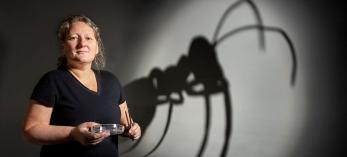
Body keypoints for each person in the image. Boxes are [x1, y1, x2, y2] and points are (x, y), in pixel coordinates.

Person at [22, 15, 141, 157]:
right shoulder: (52, 81)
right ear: (63, 47)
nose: (82, 43)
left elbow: (125, 121)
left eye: (89, 38)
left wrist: (133, 129)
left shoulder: (111, 81)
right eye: (73, 38)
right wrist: (73, 133)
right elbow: (30, 130)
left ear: (97, 47)